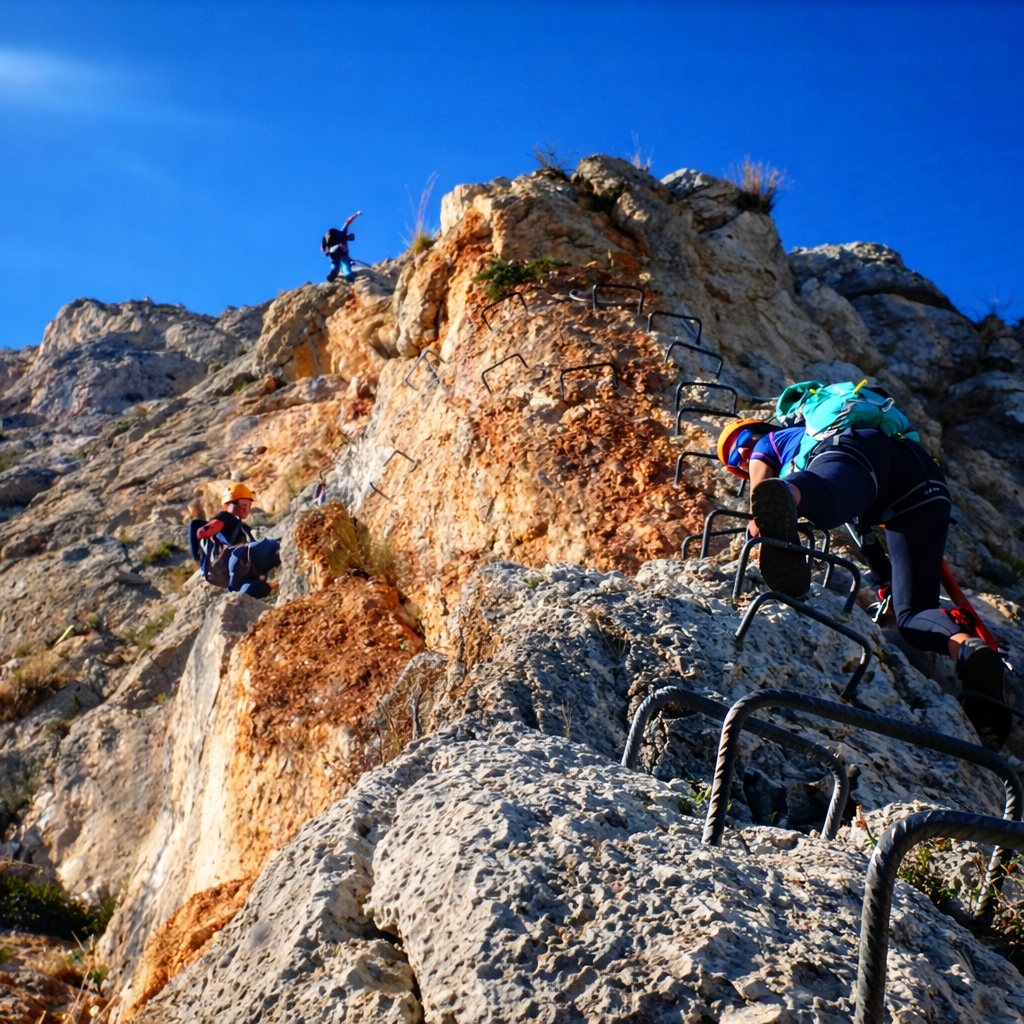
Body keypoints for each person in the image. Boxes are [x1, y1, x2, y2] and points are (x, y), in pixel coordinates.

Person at [717, 410, 1010, 748]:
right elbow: (868, 540)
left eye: (739, 444)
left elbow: (762, 496)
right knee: (914, 616)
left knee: (825, 499)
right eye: (734, 461)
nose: (740, 455)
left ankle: (791, 495)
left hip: (860, 454)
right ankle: (970, 651)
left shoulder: (772, 442)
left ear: (759, 431)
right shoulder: (822, 448)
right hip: (922, 481)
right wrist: (884, 583)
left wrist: (761, 519)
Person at [189, 482, 280, 599]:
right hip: (229, 561)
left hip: (222, 573)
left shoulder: (242, 529)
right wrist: (215, 524)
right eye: (242, 504)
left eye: (248, 504)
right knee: (273, 547)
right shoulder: (227, 517)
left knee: (261, 588)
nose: (246, 508)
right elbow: (201, 532)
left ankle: (239, 595)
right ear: (226, 506)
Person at [321, 211, 362, 282]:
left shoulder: (330, 237)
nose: (352, 238)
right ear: (350, 236)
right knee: (346, 265)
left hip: (332, 251)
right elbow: (348, 221)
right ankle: (349, 276)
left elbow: (322, 247)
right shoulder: (343, 233)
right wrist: (356, 214)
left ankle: (334, 272)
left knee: (335, 264)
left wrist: (325, 252)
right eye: (352, 237)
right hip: (341, 249)